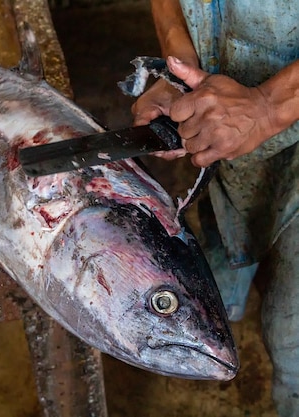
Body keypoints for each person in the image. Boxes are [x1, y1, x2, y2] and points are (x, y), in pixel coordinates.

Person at [131, 1, 299, 415]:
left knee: (290, 337)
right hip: (230, 125)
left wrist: (269, 105)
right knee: (211, 272)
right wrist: (179, 68)